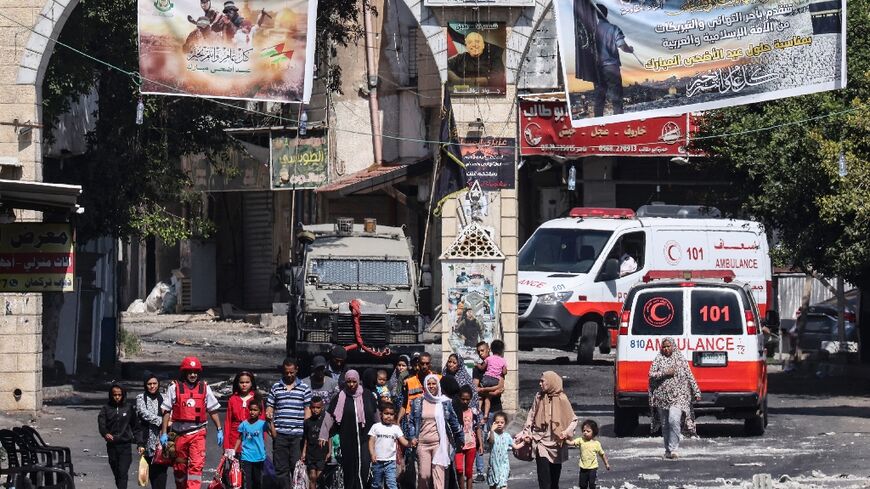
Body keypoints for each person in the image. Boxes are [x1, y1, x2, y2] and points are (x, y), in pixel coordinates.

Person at [160, 356, 223, 489]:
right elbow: (166, 411)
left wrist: (219, 429)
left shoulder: (205, 388)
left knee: (196, 466)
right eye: (190, 372)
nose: (193, 375)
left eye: (195, 372)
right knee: (179, 468)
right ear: (184, 373)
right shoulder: (174, 388)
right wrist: (164, 433)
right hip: (179, 434)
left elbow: (212, 410)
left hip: (198, 433)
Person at [319, 370, 379, 489]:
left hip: (365, 439)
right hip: (347, 439)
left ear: (358, 381)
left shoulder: (368, 396)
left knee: (364, 467)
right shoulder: (340, 397)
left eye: (354, 382)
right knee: (349, 470)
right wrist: (323, 435)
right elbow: (329, 417)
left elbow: (375, 415)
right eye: (348, 382)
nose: (351, 385)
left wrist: (380, 433)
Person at [520, 371, 578, 489]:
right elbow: (531, 416)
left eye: (542, 381)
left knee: (554, 482)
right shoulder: (539, 397)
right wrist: (527, 433)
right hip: (540, 441)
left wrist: (565, 433)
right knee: (544, 481)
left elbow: (573, 420)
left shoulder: (562, 399)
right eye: (540, 381)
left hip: (557, 444)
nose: (540, 383)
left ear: (551, 382)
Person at [407, 374, 464, 489]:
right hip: (422, 444)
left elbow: (454, 422)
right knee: (424, 475)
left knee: (438, 475)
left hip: (439, 444)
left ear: (438, 385)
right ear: (424, 386)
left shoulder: (444, 402)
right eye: (429, 384)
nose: (431, 386)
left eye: (434, 384)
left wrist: (461, 438)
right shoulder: (418, 402)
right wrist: (412, 436)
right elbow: (411, 422)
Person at [648, 337, 701, 459]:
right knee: (665, 423)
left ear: (673, 346)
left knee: (674, 420)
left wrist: (696, 391)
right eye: (664, 347)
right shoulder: (658, 359)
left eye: (668, 346)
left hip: (678, 396)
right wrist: (665, 373)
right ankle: (668, 449)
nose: (666, 349)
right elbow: (651, 374)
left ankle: (674, 449)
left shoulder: (680, 359)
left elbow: (689, 375)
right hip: (662, 397)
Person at [266, 357, 312, 489]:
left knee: (297, 468)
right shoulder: (276, 387)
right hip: (280, 435)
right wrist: (272, 428)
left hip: (298, 436)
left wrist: (306, 431)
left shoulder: (304, 388)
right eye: (286, 372)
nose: (289, 375)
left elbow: (307, 410)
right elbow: (270, 407)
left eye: (292, 372)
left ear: (296, 370)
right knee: (281, 470)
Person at [591, 5, 634, 116]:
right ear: (606, 14)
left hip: (597, 69)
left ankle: (597, 121)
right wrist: (630, 50)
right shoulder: (613, 29)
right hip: (611, 68)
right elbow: (623, 46)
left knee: (599, 98)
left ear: (596, 15)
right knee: (616, 98)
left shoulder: (592, 31)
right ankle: (619, 120)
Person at [98, 384, 139, 489]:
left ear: (123, 395)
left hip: (125, 445)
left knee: (122, 472)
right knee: (117, 473)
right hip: (112, 446)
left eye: (119, 395)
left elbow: (135, 426)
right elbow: (102, 424)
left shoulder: (128, 408)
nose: (117, 397)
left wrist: (140, 442)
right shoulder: (106, 409)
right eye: (114, 395)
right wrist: (105, 433)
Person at [233, 395, 276, 489]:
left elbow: (274, 435)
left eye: (255, 410)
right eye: (251, 410)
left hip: (259, 457)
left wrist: (270, 422)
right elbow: (239, 438)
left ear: (260, 412)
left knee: (257, 481)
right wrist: (234, 451)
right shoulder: (244, 424)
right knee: (247, 481)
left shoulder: (262, 424)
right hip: (246, 456)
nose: (252, 412)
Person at [368, 403, 413, 489]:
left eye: (391, 414)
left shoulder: (395, 428)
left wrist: (410, 443)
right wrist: (372, 453)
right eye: (386, 413)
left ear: (394, 415)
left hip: (390, 462)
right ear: (381, 414)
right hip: (377, 461)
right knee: (376, 484)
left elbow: (403, 441)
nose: (389, 416)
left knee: (392, 484)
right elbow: (371, 441)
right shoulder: (376, 426)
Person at [135, 374, 168, 489]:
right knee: (150, 475)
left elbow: (170, 412)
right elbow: (143, 413)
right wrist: (162, 421)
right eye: (149, 384)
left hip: (162, 441)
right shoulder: (141, 398)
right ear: (145, 385)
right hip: (147, 440)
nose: (152, 386)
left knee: (161, 474)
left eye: (154, 383)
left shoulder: (165, 397)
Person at [224, 371, 263, 458]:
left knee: (249, 470)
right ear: (237, 384)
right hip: (234, 440)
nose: (244, 385)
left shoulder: (257, 399)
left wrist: (261, 443)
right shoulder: (232, 399)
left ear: (251, 383)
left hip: (252, 440)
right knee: (235, 469)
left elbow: (261, 423)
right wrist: (226, 446)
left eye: (247, 382)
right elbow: (228, 423)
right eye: (241, 382)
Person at [453, 386, 481, 489]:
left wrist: (480, 444)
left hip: (471, 444)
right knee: (459, 470)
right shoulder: (455, 412)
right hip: (459, 445)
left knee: (469, 472)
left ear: (470, 399)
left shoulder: (473, 412)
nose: (465, 401)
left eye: (467, 399)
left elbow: (477, 427)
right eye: (463, 399)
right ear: (459, 398)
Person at [569, 420, 610, 489]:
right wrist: (564, 439)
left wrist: (606, 464)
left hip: (593, 467)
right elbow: (571, 443)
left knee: (592, 484)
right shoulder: (580, 440)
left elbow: (602, 454)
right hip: (583, 467)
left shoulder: (596, 444)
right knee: (582, 485)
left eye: (588, 431)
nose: (585, 432)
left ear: (593, 432)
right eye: (584, 430)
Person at [399, 351, 439, 422]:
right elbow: (405, 403)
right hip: (412, 420)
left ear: (431, 364)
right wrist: (398, 421)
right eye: (422, 363)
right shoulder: (409, 382)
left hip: (431, 420)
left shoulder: (438, 379)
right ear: (418, 364)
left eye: (427, 363)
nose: (424, 366)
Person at [486, 412, 522, 489]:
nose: (499, 424)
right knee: (493, 485)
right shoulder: (491, 434)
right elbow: (491, 441)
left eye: (502, 422)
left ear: (505, 423)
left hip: (504, 465)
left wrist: (525, 442)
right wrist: (492, 430)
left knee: (503, 485)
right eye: (497, 422)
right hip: (493, 465)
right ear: (493, 423)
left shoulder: (507, 436)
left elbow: (515, 446)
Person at [302, 396, 330, 489]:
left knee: (319, 477)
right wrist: (304, 452)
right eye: (313, 407)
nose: (315, 410)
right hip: (311, 453)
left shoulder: (325, 421)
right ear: (310, 408)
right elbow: (306, 438)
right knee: (312, 477)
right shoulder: (307, 422)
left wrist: (330, 452)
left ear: (322, 407)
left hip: (322, 453)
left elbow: (330, 437)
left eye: (318, 408)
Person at [475, 340, 507, 421]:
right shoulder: (502, 361)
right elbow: (503, 374)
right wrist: (494, 392)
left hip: (495, 407)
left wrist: (483, 390)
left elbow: (500, 387)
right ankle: (484, 414)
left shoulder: (488, 360)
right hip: (494, 385)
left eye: (482, 350)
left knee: (482, 397)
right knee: (487, 398)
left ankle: (479, 410)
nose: (480, 353)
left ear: (489, 349)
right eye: (478, 351)